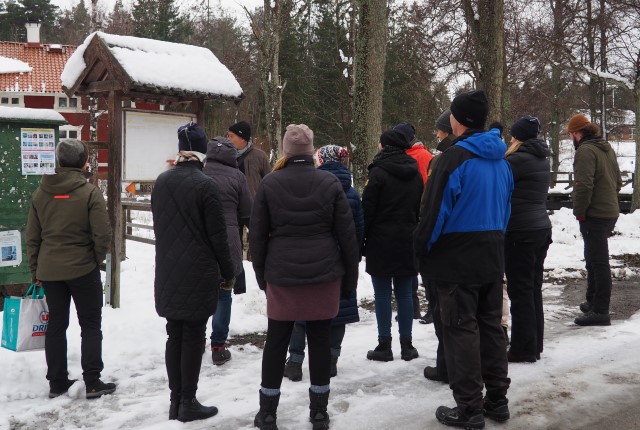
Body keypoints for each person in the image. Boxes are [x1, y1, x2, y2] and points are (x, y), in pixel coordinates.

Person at [414, 90, 513, 429]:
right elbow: (506, 209)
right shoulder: (501, 160)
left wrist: (421, 249)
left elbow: (434, 214)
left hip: (457, 257)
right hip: (492, 251)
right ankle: (497, 400)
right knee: (490, 326)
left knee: (461, 330)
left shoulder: (454, 158)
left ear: (458, 120)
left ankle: (470, 408)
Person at [250, 124, 359, 430]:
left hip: (282, 275)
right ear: (311, 151)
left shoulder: (270, 184)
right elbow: (346, 236)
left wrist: (263, 276)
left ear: (286, 151)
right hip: (323, 275)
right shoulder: (329, 183)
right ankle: (319, 412)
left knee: (276, 342)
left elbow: (257, 236)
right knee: (321, 342)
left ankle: (268, 412)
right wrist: (349, 279)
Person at [152, 122, 235, 422]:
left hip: (168, 270)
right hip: (198, 271)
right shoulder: (205, 186)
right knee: (193, 335)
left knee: (174, 334)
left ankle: (176, 401)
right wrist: (229, 271)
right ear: (203, 152)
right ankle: (188, 401)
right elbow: (218, 237)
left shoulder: (161, 182)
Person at [26, 139, 115, 400]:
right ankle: (92, 381)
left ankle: (57, 381)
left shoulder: (40, 193)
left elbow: (33, 236)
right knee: (90, 324)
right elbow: (103, 233)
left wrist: (36, 271)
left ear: (59, 161)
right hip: (83, 269)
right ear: (84, 161)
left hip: (50, 270)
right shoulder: (89, 192)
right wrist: (93, 260)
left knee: (56, 324)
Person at [283, 144, 364, 382]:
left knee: (301, 310)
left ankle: (295, 361)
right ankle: (331, 359)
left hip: (313, 257)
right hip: (342, 260)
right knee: (339, 310)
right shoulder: (352, 192)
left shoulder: (313, 186)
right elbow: (358, 229)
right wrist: (353, 255)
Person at [363, 129, 423, 362]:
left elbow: (367, 211)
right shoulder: (415, 173)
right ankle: (407, 346)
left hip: (381, 240)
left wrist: (362, 241)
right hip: (408, 238)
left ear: (386, 146)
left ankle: (384, 344)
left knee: (382, 295)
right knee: (405, 294)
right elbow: (418, 208)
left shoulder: (378, 173)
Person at [504, 116, 552, 363]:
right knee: (533, 289)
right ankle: (535, 344)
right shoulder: (542, 158)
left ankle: (523, 348)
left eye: (513, 135)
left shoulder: (516, 160)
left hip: (520, 231)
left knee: (519, 290)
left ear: (518, 137)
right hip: (541, 228)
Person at [567, 113, 622, 326]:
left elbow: (584, 185)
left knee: (598, 262)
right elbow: (618, 181)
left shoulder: (586, 151)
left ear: (577, 133)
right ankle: (592, 301)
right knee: (592, 257)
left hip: (595, 214)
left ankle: (601, 311)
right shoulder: (605, 148)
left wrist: (579, 211)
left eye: (571, 133)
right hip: (609, 211)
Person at [203, 136, 253, 365]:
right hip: (229, 240)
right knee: (224, 294)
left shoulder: (200, 172)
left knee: (200, 292)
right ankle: (218, 346)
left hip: (201, 242)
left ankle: (195, 339)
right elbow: (247, 211)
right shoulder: (237, 177)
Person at [421, 109, 456, 383]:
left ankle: (448, 367)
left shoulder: (445, 161)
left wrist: (423, 246)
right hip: (480, 248)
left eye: (439, 129)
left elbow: (433, 209)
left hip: (446, 248)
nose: (436, 134)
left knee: (445, 313)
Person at [227, 121, 271, 312]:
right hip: (232, 209)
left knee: (260, 245)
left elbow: (269, 181)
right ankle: (239, 285)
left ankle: (265, 281)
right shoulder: (225, 156)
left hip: (254, 209)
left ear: (242, 138)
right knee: (233, 247)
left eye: (232, 136)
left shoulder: (259, 156)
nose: (228, 139)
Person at [394, 122, 433, 321]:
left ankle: (412, 307)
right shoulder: (427, 155)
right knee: (423, 263)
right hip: (423, 215)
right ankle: (429, 307)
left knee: (412, 263)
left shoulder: (406, 158)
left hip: (412, 215)